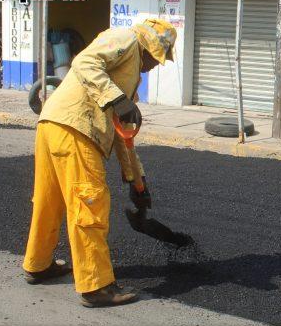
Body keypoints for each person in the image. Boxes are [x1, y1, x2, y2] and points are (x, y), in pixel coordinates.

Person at [21, 18, 177, 307]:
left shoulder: (129, 76)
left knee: (49, 201)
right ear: (149, 46)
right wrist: (118, 99)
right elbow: (84, 64)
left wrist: (136, 182)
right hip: (76, 129)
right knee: (89, 203)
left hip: (54, 124)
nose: (155, 65)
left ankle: (38, 264)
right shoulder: (125, 39)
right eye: (156, 59)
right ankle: (96, 287)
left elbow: (123, 136)